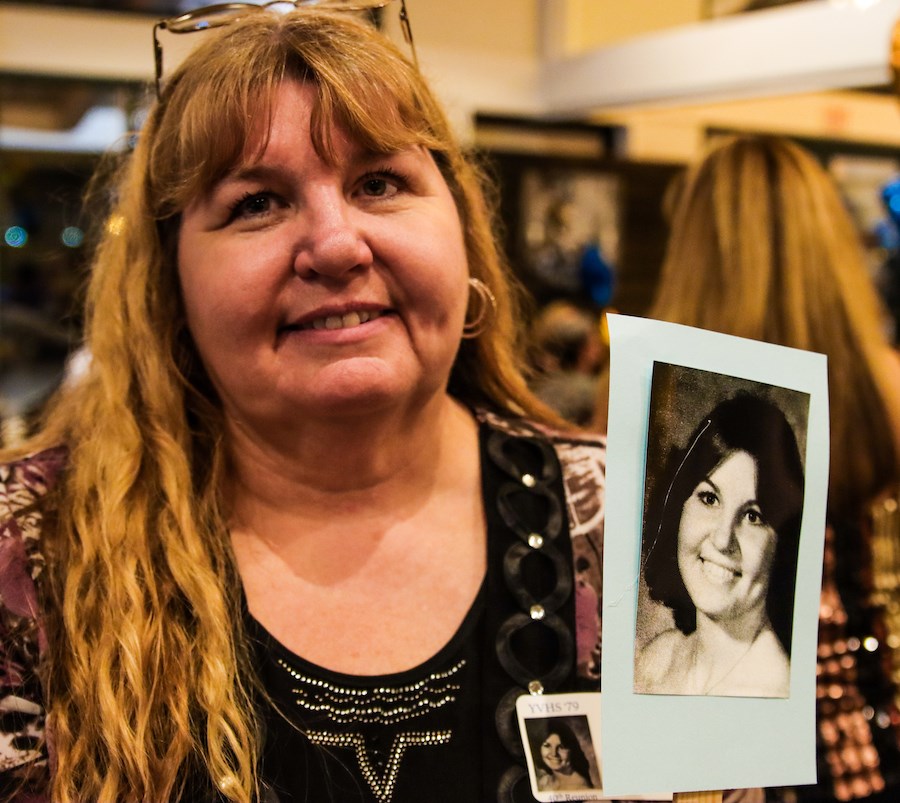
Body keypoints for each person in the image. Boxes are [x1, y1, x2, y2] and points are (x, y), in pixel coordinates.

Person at [0, 6, 617, 803]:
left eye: (378, 183)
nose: (335, 245)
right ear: (171, 288)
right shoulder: (28, 550)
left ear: (463, 232)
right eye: (257, 203)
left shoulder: (636, 523)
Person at [594, 135, 900, 800]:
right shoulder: (883, 387)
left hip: (713, 753)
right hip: (861, 741)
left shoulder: (641, 390)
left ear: (692, 243)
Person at [634, 393, 804, 698]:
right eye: (709, 499)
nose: (723, 540)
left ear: (782, 544)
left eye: (753, 516)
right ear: (680, 505)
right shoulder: (657, 660)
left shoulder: (776, 691)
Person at [528, 718, 595, 792]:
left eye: (561, 747)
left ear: (572, 750)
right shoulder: (544, 781)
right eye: (547, 745)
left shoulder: (581, 789)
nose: (554, 753)